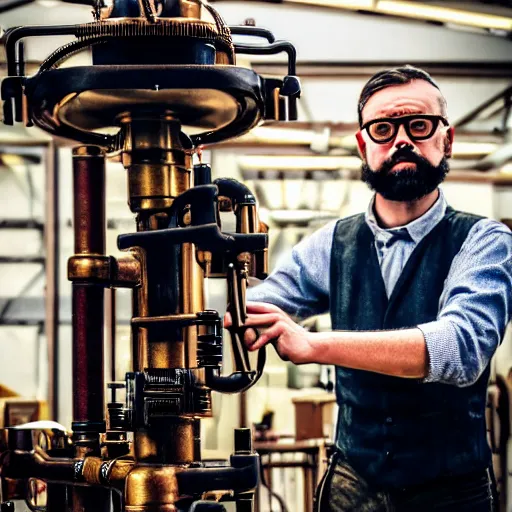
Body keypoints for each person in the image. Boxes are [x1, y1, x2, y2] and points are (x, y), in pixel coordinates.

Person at [225, 66, 512, 511]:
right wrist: (243, 320)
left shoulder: (484, 241)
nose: (401, 141)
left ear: (446, 140)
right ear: (364, 145)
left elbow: (461, 350)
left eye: (418, 125)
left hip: (450, 492)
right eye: (382, 128)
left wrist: (314, 345)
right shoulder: (333, 243)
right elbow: (257, 305)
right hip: (352, 486)